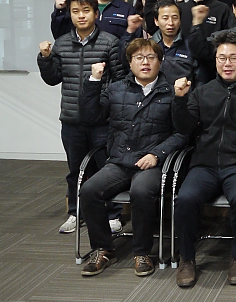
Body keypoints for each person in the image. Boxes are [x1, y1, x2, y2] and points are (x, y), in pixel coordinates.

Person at [78, 38, 187, 277]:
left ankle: (141, 251)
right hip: (119, 161)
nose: (145, 62)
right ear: (130, 63)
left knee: (141, 191)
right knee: (89, 190)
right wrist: (94, 81)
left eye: (151, 57)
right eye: (139, 58)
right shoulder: (116, 88)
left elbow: (183, 133)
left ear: (160, 61)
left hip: (152, 163)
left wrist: (156, 154)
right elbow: (90, 117)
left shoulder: (172, 91)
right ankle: (104, 249)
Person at [172, 31, 236, 288]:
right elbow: (184, 128)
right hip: (204, 165)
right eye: (222, 58)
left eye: (233, 58)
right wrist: (180, 100)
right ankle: (186, 259)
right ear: (215, 60)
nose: (227, 64)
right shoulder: (202, 92)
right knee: (185, 199)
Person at [37, 0, 125, 234]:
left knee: (108, 169)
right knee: (76, 170)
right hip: (72, 119)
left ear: (96, 13)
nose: (81, 15)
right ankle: (76, 212)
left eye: (86, 10)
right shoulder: (62, 43)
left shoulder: (110, 42)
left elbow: (119, 80)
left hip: (102, 120)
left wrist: (106, 106)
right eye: (75, 11)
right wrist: (45, 58)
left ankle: (113, 214)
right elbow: (52, 79)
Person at [122, 0, 197, 86]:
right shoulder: (148, 47)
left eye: (175, 18)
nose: (170, 23)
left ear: (180, 20)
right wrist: (130, 31)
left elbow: (200, 79)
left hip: (182, 93)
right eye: (165, 18)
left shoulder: (191, 46)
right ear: (156, 21)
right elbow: (125, 61)